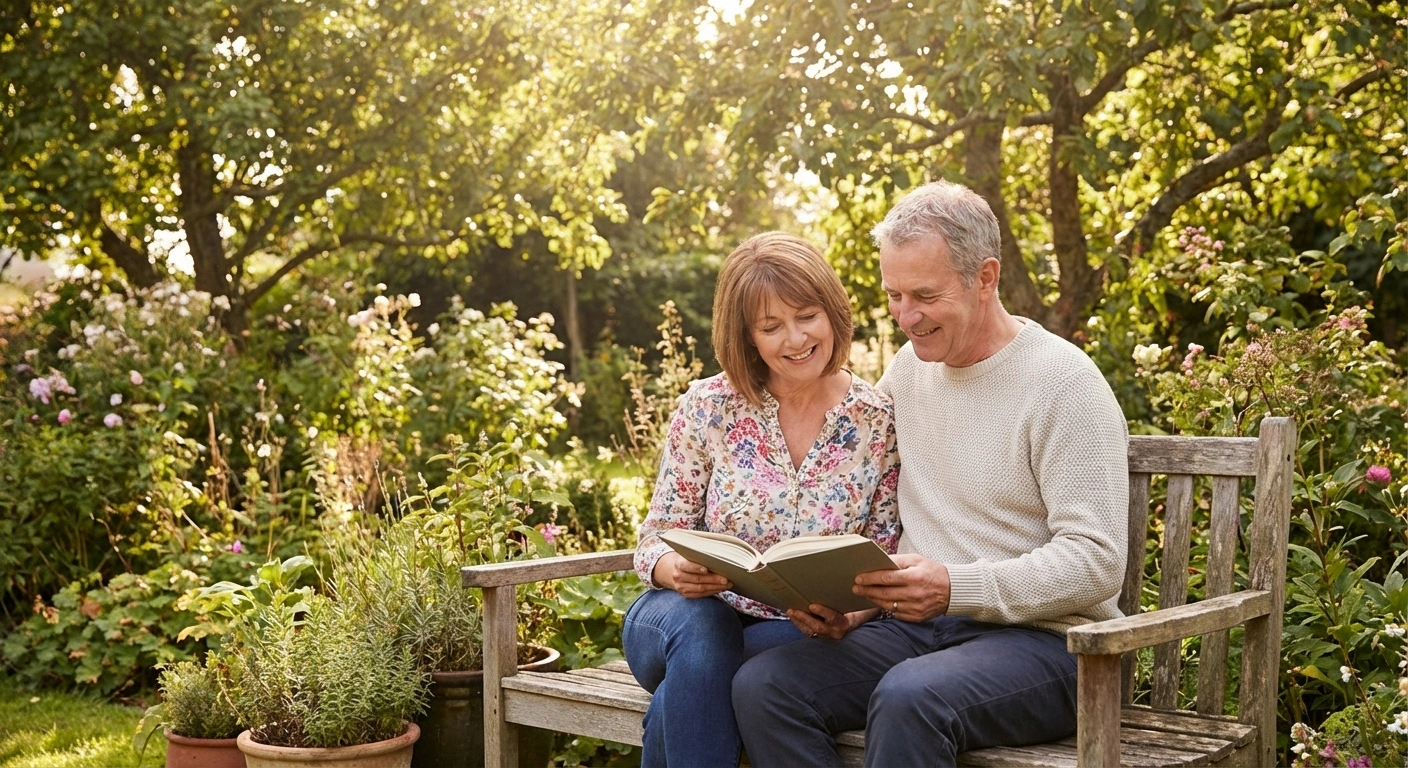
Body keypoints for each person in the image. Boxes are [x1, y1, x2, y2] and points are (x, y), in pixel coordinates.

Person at [732, 181, 1129, 767]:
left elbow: (1097, 560)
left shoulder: (1063, 383)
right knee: (766, 686)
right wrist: (857, 604)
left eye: (924, 295)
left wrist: (954, 588)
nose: (905, 317)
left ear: (986, 278)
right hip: (920, 631)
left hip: (1053, 647)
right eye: (894, 295)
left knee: (909, 698)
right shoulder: (910, 372)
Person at [624, 231, 902, 768]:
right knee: (706, 635)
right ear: (747, 336)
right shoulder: (709, 406)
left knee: (689, 691)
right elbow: (652, 540)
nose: (795, 339)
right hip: (676, 617)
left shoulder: (875, 419)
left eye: (807, 316)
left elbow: (883, 550)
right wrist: (674, 569)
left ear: (832, 314)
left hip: (793, 636)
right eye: (771, 326)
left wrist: (851, 617)